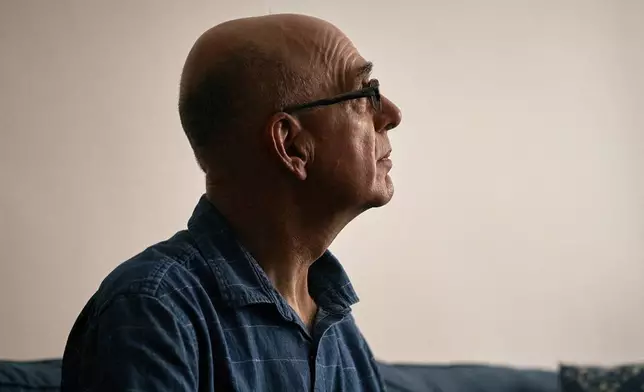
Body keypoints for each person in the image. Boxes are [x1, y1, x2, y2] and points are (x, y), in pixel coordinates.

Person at [61, 13, 402, 392]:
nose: (391, 115)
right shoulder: (153, 310)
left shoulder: (338, 326)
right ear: (291, 145)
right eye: (364, 94)